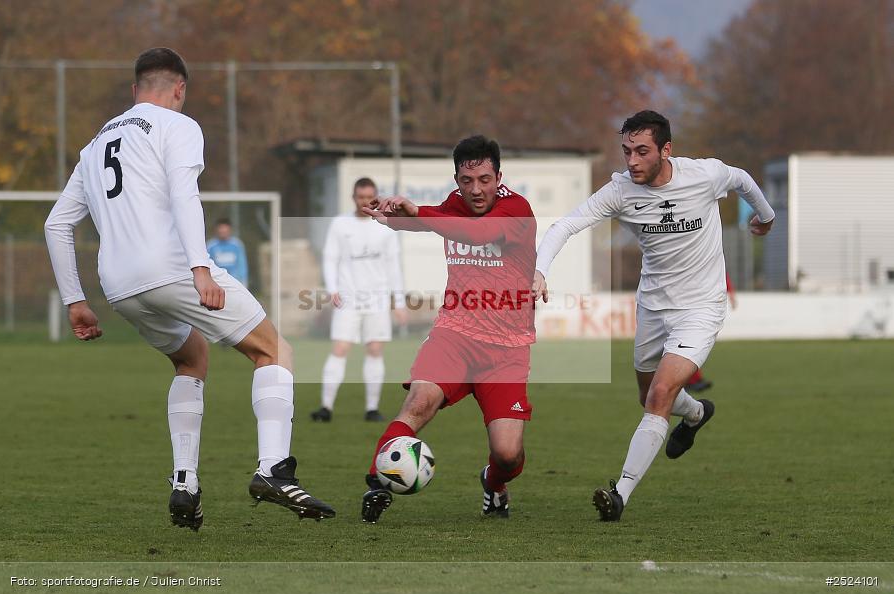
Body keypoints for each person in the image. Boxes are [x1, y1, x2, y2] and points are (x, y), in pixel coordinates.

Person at [43, 47, 334, 531]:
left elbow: (57, 224)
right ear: (179, 89)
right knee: (274, 350)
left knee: (191, 358)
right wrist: (201, 267)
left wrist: (76, 300)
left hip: (118, 284)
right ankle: (273, 470)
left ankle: (185, 481)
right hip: (172, 268)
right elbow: (185, 194)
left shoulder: (95, 146)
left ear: (136, 91)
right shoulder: (178, 125)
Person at [533, 110, 774, 521]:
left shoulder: (704, 175)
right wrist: (539, 270)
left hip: (701, 307)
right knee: (647, 397)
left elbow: (742, 179)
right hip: (652, 308)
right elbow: (564, 227)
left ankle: (620, 494)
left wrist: (764, 217)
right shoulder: (620, 191)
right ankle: (697, 413)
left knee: (660, 395)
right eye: (626, 151)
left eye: (641, 151)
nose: (631, 161)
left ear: (666, 150)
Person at [360, 135, 536, 523]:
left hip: (506, 350)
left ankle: (493, 484)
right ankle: (378, 482)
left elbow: (476, 233)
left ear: (499, 176)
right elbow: (429, 223)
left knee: (508, 454)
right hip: (454, 335)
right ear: (457, 179)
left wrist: (417, 211)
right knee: (419, 403)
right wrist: (395, 217)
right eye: (467, 180)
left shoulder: (516, 208)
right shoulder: (455, 204)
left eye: (485, 180)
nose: (476, 190)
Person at [309, 177, 407, 423]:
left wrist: (399, 301)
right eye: (360, 197)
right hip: (348, 298)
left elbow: (394, 266)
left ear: (376, 198)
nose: (364, 201)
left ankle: (372, 408)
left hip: (378, 299)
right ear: (354, 197)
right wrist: (332, 288)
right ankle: (326, 407)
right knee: (340, 348)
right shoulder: (341, 224)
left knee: (375, 350)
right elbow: (330, 258)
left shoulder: (386, 225)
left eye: (369, 197)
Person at [686, 272, 737, 393]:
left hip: (699, 304)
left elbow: (722, 273)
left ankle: (693, 380)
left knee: (692, 344)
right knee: (689, 344)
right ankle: (690, 380)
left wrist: (731, 295)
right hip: (685, 304)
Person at [207, 218, 249, 287]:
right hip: (217, 282)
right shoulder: (210, 246)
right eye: (221, 229)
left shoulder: (237, 245)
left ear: (230, 230)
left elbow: (242, 265)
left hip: (235, 282)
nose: (223, 231)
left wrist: (243, 282)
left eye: (225, 229)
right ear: (217, 230)